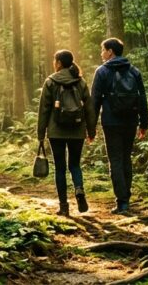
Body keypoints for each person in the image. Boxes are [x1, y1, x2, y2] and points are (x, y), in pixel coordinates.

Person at [92, 37, 148, 214]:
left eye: (103, 50)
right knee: (126, 158)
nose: (101, 54)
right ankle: (126, 199)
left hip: (111, 121)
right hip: (131, 121)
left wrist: (91, 127)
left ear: (110, 51)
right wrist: (143, 123)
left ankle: (122, 202)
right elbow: (142, 98)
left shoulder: (102, 72)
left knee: (115, 160)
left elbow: (95, 101)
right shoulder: (134, 71)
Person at [37, 49, 97, 216]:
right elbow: (90, 109)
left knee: (60, 168)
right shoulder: (80, 82)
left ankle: (63, 206)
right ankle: (79, 189)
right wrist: (91, 130)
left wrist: (40, 134)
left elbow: (44, 110)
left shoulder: (50, 81)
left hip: (56, 132)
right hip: (77, 130)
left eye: (54, 60)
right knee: (75, 165)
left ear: (59, 63)